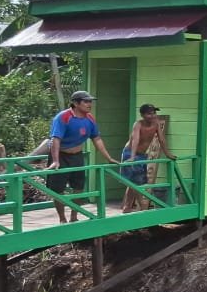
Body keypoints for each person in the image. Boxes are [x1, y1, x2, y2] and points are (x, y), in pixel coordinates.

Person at [46, 91, 119, 223]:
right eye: (86, 101)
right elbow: (55, 139)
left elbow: (97, 139)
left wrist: (108, 157)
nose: (89, 104)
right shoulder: (63, 117)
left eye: (90, 101)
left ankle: (74, 216)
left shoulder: (90, 118)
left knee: (79, 187)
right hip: (61, 155)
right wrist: (56, 160)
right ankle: (62, 219)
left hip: (77, 156)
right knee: (58, 190)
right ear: (75, 103)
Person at [120, 104, 174, 212]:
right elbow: (135, 140)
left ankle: (127, 207)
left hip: (141, 154)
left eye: (154, 113)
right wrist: (132, 157)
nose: (153, 115)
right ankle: (143, 208)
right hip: (130, 152)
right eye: (149, 113)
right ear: (142, 115)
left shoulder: (156, 123)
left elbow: (161, 139)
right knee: (136, 182)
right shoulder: (138, 124)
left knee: (134, 182)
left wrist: (168, 154)